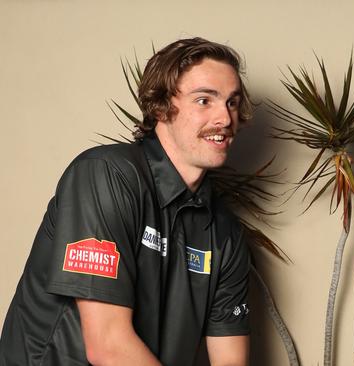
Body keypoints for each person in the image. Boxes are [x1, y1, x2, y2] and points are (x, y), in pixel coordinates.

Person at [0, 37, 252, 366]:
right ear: (162, 107)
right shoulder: (105, 175)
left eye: (232, 102)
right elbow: (108, 345)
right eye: (205, 100)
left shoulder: (224, 233)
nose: (225, 118)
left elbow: (230, 360)